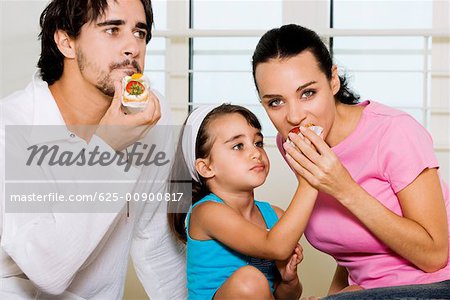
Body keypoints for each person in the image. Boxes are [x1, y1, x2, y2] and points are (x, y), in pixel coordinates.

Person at [0, 0, 186, 299]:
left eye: (139, 32)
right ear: (66, 42)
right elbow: (48, 270)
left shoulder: (151, 113)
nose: (132, 47)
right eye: (112, 30)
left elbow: (155, 242)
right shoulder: (10, 128)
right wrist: (107, 149)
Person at [252, 24, 450, 299]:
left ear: (333, 80)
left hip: (436, 286)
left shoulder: (394, 132)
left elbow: (435, 255)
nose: (294, 116)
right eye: (275, 102)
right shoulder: (292, 144)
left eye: (308, 93)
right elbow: (352, 251)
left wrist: (342, 187)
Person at [168, 103, 322, 299]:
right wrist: (310, 180)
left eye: (257, 142)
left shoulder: (275, 217)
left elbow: (285, 297)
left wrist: (288, 280)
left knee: (357, 292)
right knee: (250, 281)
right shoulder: (207, 212)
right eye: (238, 146)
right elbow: (276, 247)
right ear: (206, 168)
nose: (255, 152)